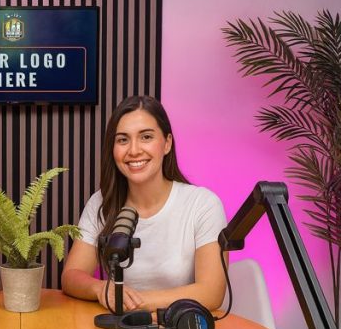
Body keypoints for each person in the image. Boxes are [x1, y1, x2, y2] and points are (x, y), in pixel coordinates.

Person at [61, 95, 227, 312]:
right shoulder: (101, 203)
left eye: (146, 137)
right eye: (123, 140)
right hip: (117, 327)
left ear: (167, 143)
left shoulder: (203, 205)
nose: (134, 150)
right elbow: (71, 276)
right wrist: (100, 288)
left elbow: (212, 292)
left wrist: (128, 302)